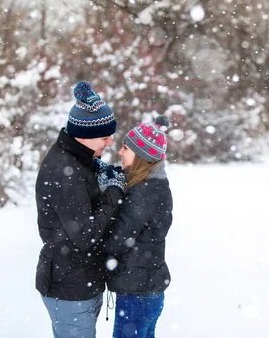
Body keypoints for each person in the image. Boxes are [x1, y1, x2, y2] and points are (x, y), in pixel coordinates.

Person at [35, 80, 126, 338]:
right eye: (104, 137)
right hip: (69, 289)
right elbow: (85, 235)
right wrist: (114, 191)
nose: (109, 143)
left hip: (80, 283)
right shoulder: (66, 171)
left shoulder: (82, 161)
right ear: (83, 135)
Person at [103, 115, 173, 338]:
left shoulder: (141, 193)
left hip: (136, 293)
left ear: (142, 156)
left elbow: (118, 241)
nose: (120, 152)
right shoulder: (159, 186)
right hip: (151, 291)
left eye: (125, 148)